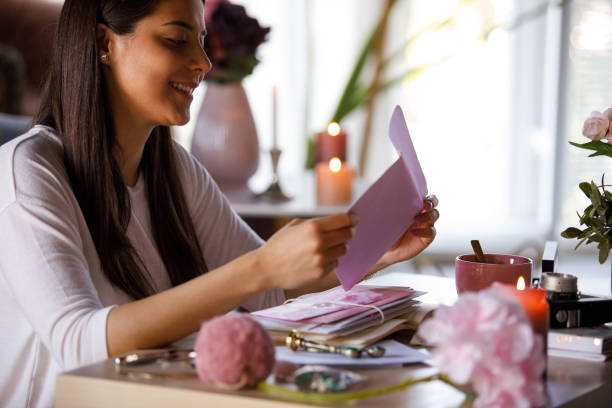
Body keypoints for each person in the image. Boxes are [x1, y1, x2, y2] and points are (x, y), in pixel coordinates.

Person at [0, 0, 439, 407]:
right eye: (176, 39)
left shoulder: (172, 168)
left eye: (202, 42)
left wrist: (376, 251)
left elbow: (272, 290)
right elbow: (79, 342)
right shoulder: (28, 170)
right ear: (104, 44)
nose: (203, 63)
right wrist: (261, 266)